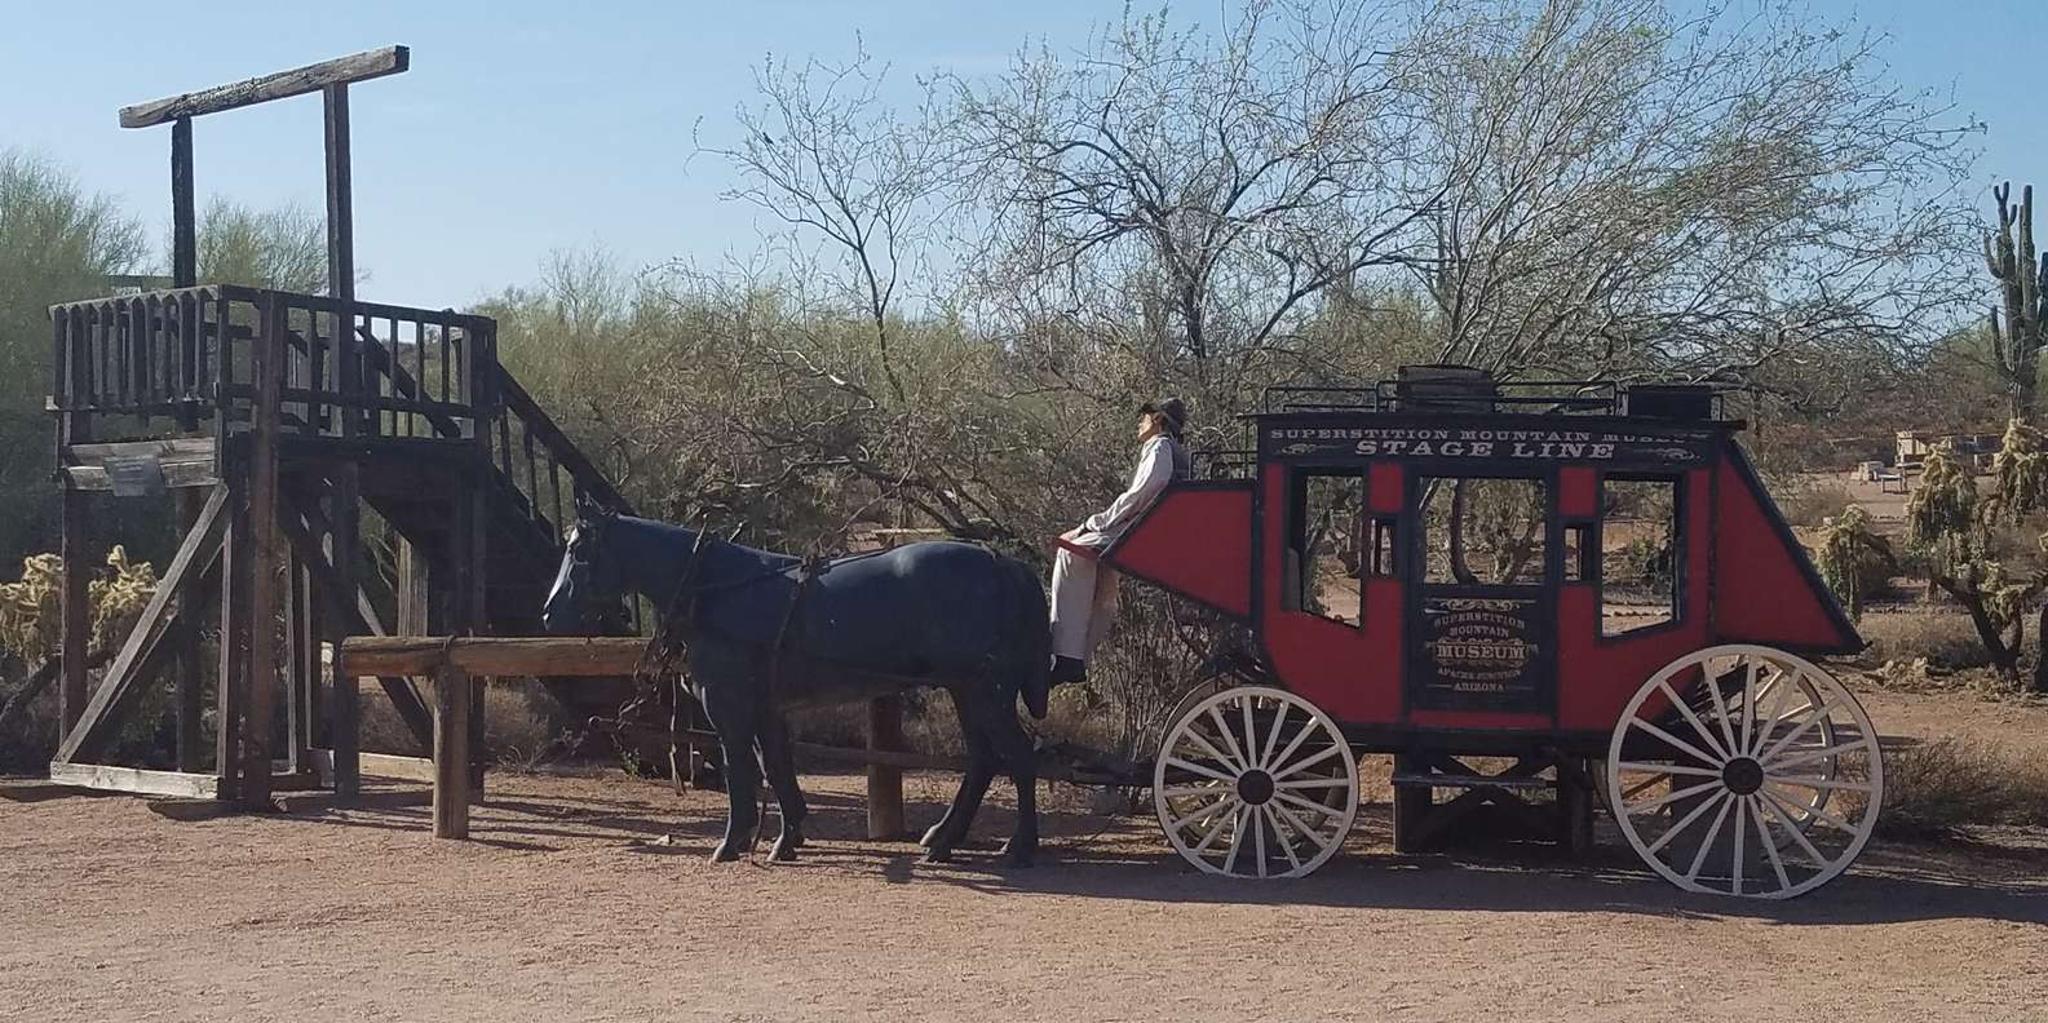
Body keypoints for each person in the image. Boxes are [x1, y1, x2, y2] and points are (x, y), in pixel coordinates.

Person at [1049, 397, 1191, 684]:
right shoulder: (1178, 453)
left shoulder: (1160, 447)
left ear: (1158, 421)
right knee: (1106, 581)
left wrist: (1091, 524)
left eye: (1145, 417)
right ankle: (1079, 658)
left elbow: (1141, 494)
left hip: (1143, 532)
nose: (1140, 422)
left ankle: (1067, 656)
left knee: (1071, 553)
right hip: (1153, 530)